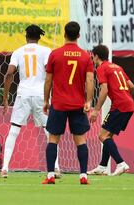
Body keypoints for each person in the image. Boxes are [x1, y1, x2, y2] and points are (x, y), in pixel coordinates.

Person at [0, 24, 60, 178]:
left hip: (23, 95)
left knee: (14, 130)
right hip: (41, 95)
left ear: (26, 36)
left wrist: (5, 98)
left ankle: (5, 168)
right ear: (39, 37)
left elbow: (9, 74)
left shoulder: (18, 52)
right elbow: (50, 73)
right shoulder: (46, 51)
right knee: (49, 132)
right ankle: (56, 168)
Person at [42, 21, 94, 184]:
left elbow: (48, 80)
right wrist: (89, 101)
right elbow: (90, 80)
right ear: (78, 36)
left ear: (64, 34)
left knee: (53, 139)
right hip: (77, 104)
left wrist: (45, 100)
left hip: (58, 104)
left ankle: (50, 175)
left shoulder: (55, 54)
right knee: (81, 140)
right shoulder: (86, 56)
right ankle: (83, 175)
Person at [88, 45, 134, 176]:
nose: (92, 58)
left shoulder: (101, 68)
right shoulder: (117, 67)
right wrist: (126, 96)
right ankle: (102, 166)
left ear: (96, 56)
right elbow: (131, 86)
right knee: (108, 136)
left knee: (102, 136)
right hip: (128, 104)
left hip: (120, 105)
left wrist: (96, 110)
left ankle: (121, 163)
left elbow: (104, 90)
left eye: (93, 56)